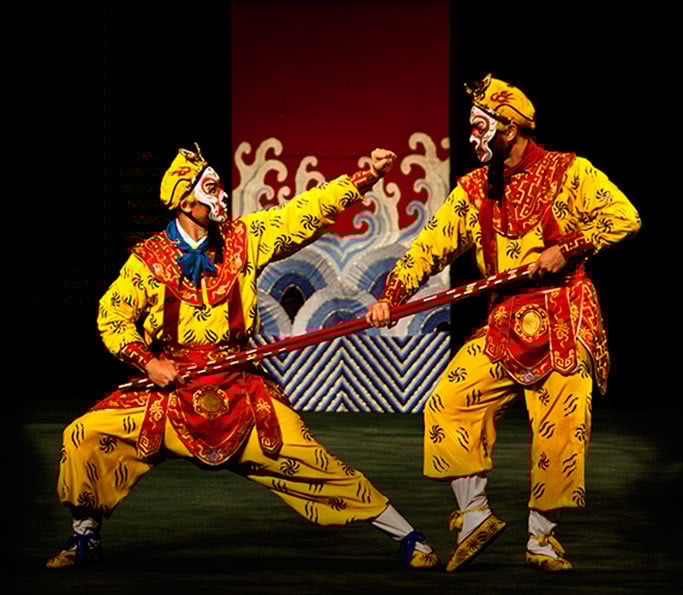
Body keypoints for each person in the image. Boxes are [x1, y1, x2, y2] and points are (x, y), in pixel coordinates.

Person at [48, 145, 439, 570]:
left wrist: (366, 177)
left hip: (240, 388)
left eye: (220, 188)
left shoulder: (244, 238)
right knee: (84, 435)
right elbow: (112, 316)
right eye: (211, 189)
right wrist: (148, 362)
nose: (222, 197)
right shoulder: (150, 259)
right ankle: (84, 537)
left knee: (312, 459)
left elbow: (300, 214)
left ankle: (408, 537)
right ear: (185, 202)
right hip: (172, 390)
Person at [366, 74, 641, 572]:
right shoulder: (474, 189)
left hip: (563, 316)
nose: (472, 137)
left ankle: (542, 539)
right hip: (505, 320)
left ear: (510, 129)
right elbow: (430, 246)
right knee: (448, 403)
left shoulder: (570, 171)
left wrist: (568, 248)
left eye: (480, 126)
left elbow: (625, 217)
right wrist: (391, 295)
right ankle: (474, 516)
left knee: (561, 428)